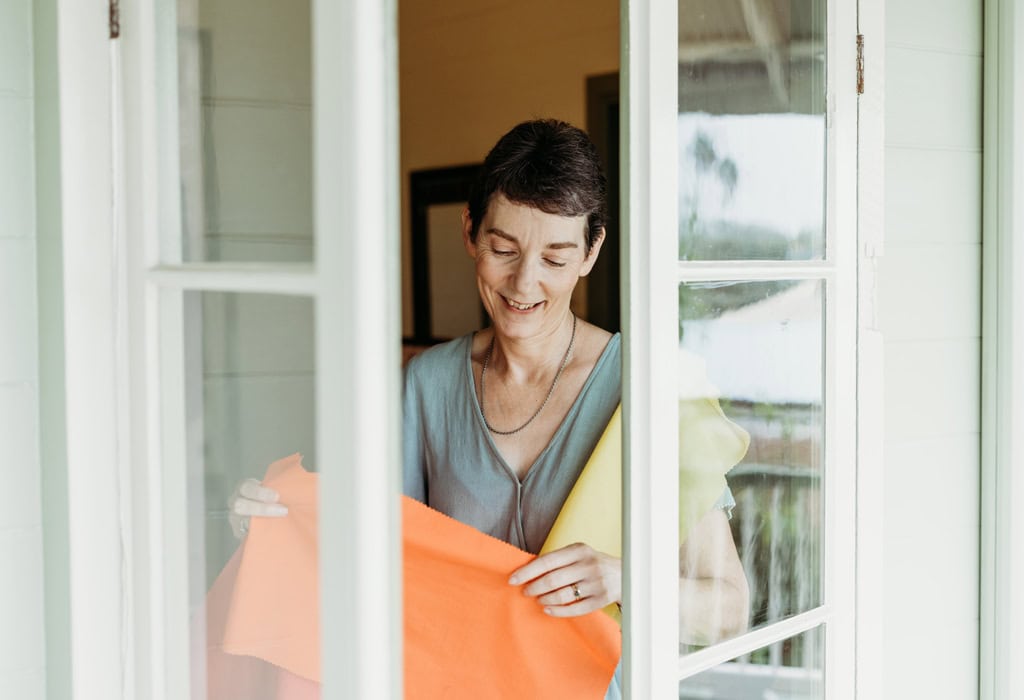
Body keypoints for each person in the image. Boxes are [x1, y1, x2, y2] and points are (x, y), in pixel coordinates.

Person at [230, 119, 749, 697]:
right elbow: (372, 556)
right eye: (503, 249)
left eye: (555, 258)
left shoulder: (652, 391)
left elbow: (728, 607)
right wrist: (279, 517)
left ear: (591, 251)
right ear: (471, 232)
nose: (524, 283)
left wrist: (624, 579)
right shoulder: (426, 385)